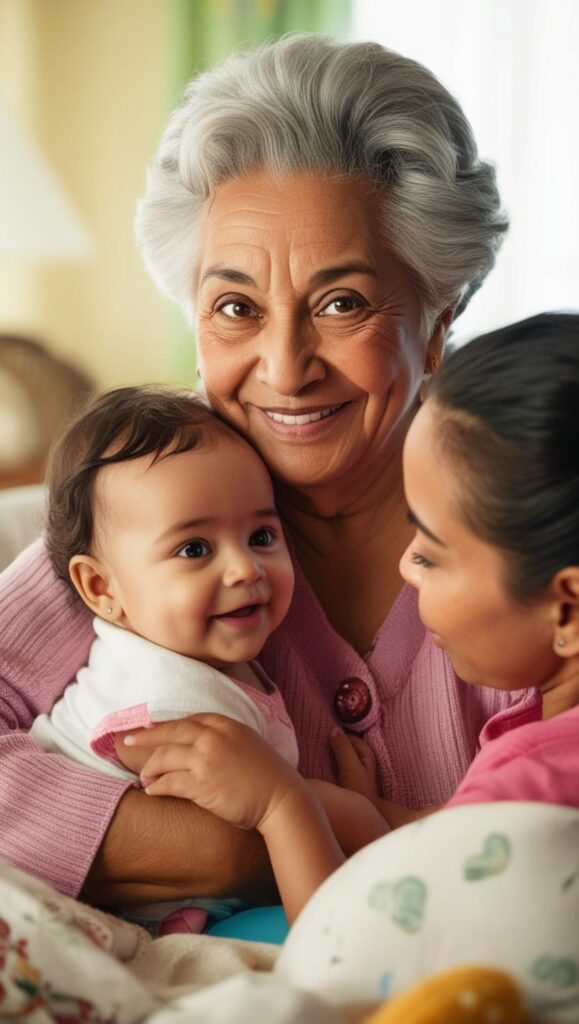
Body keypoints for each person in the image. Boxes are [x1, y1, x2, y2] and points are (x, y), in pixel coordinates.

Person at [0, 34, 535, 913]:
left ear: (440, 317)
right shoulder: (149, 493)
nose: (283, 368)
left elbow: (549, 843)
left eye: (341, 303)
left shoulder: (528, 514)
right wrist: (210, 846)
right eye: (235, 308)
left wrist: (298, 822)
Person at [125, 312, 579, 968]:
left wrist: (280, 805)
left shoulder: (527, 804)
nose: (404, 566)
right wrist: (365, 814)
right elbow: (456, 835)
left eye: (429, 553)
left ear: (566, 609)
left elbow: (346, 966)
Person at [30, 385, 384, 932]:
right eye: (195, 549)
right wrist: (361, 813)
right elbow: (256, 818)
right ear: (102, 587)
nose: (246, 569)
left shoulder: (184, 653)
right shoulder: (164, 702)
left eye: (262, 535)